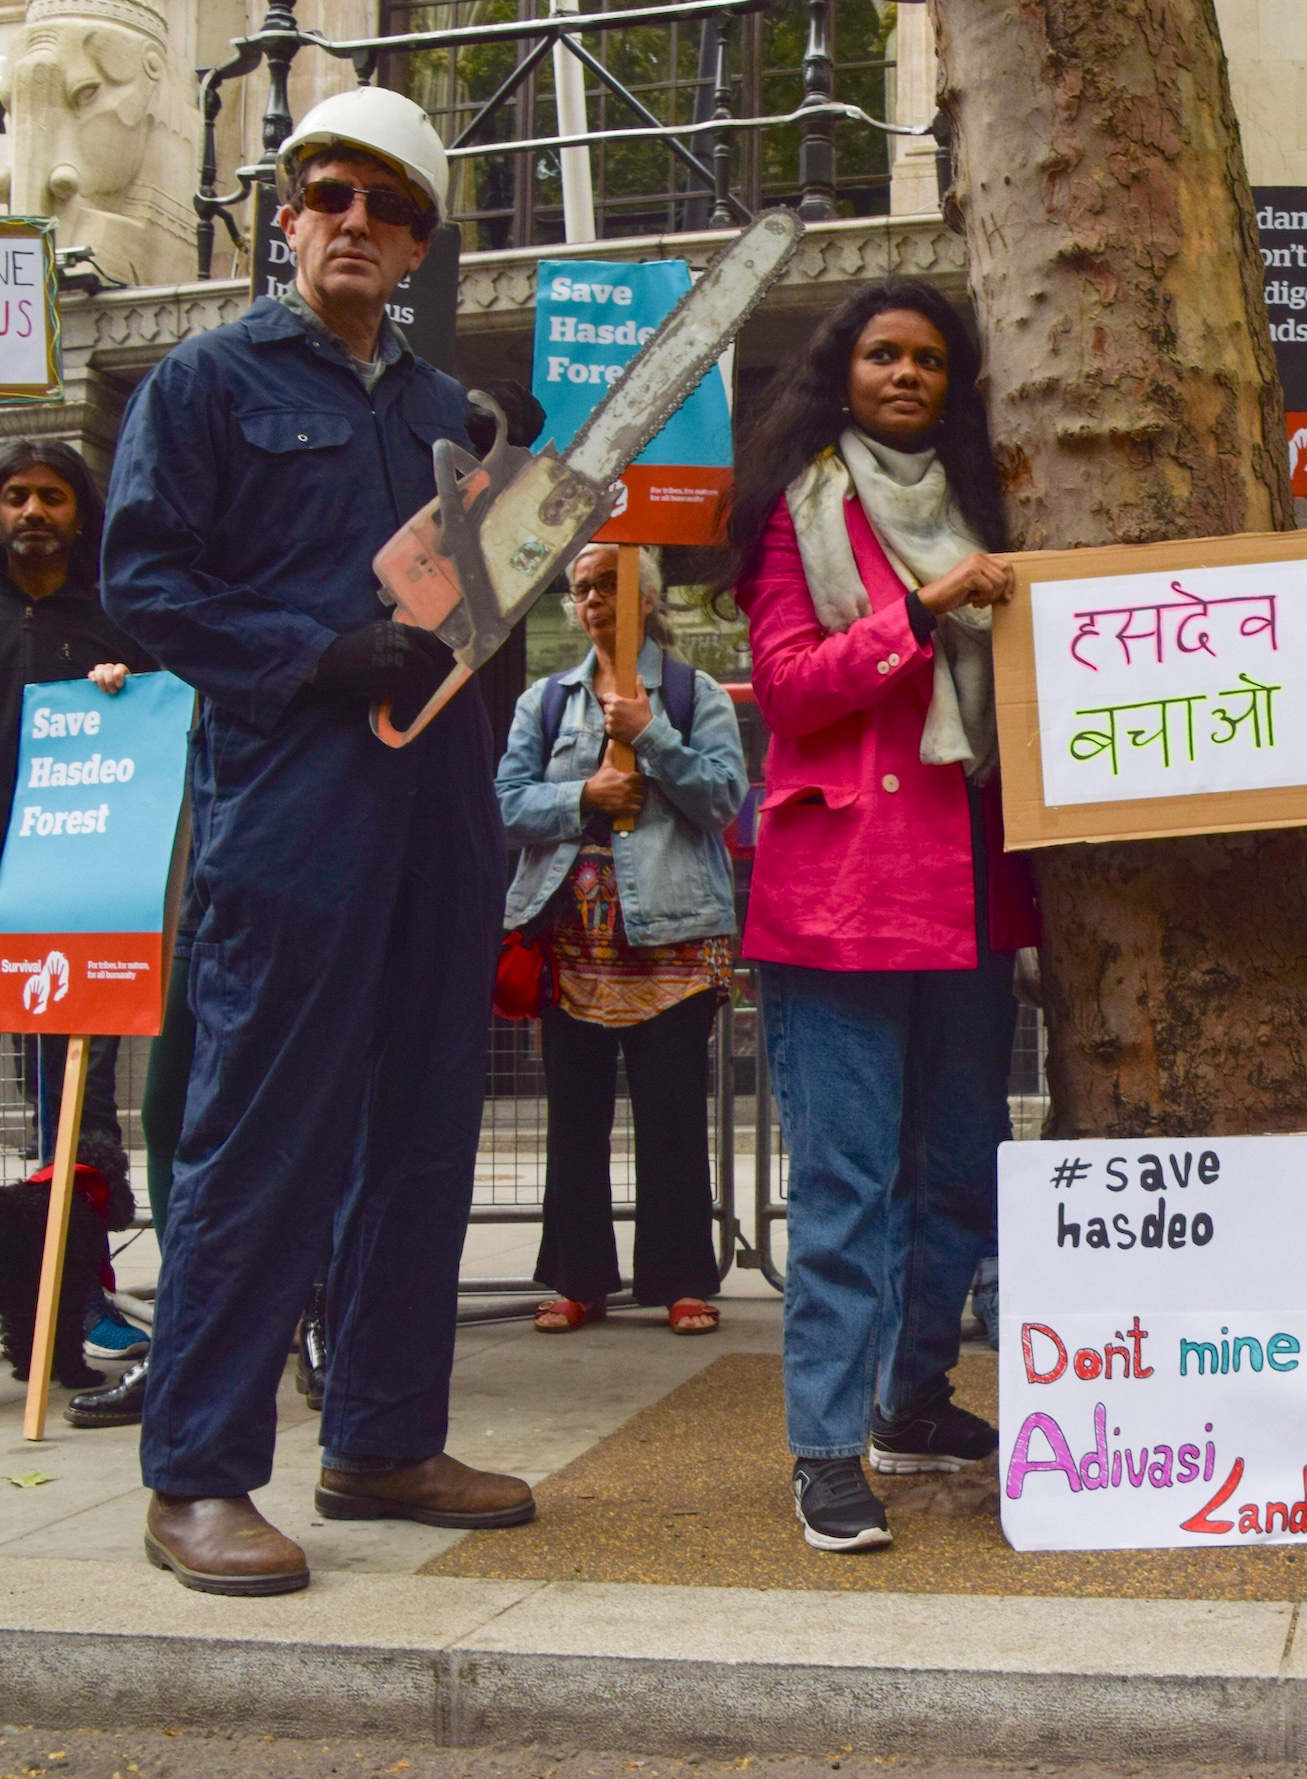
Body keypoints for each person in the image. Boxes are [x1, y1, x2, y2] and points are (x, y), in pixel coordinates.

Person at [101, 86, 532, 1596]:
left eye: (387, 207)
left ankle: (383, 1436)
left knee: (423, 1126)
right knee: (261, 1133)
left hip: (440, 804)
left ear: (417, 241)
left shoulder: (445, 411)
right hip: (293, 803)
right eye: (330, 196)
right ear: (288, 217)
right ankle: (199, 1471)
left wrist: (514, 578)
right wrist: (310, 652)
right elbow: (145, 583)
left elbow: (473, 611)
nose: (355, 224)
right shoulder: (207, 383)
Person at [725, 277, 1036, 1553]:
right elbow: (791, 691)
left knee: (960, 1169)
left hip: (973, 877)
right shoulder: (793, 513)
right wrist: (923, 612)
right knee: (847, 1185)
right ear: (839, 374)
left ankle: (912, 1402)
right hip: (843, 892)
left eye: (927, 359)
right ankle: (822, 1448)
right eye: (880, 355)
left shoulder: (994, 508)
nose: (904, 375)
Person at [497, 542, 746, 1337]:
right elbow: (505, 803)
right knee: (575, 1116)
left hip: (672, 940)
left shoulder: (691, 690)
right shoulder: (545, 699)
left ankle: (679, 1278)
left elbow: (724, 797)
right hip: (572, 945)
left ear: (646, 595)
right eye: (583, 588)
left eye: (612, 584)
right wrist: (585, 792)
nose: (596, 600)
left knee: (672, 1113)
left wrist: (653, 735)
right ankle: (578, 1278)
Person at [0, 441, 150, 1363]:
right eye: (14, 497)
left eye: (49, 497)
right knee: (33, 1097)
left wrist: (121, 698)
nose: (30, 513)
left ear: (80, 514)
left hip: (75, 902)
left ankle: (81, 1294)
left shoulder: (116, 623)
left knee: (72, 1105)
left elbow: (154, 733)